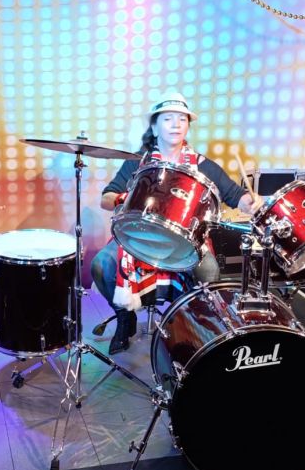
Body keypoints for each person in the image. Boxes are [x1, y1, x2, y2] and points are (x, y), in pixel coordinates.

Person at [90, 92, 261, 354]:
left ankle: (184, 326)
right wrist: (122, 198)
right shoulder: (139, 162)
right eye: (168, 118)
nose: (176, 124)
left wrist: (250, 201)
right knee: (102, 265)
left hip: (185, 240)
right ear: (155, 127)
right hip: (139, 236)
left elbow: (235, 196)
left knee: (209, 272)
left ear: (187, 127)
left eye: (182, 119)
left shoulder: (202, 165)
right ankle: (126, 319)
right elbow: (106, 198)